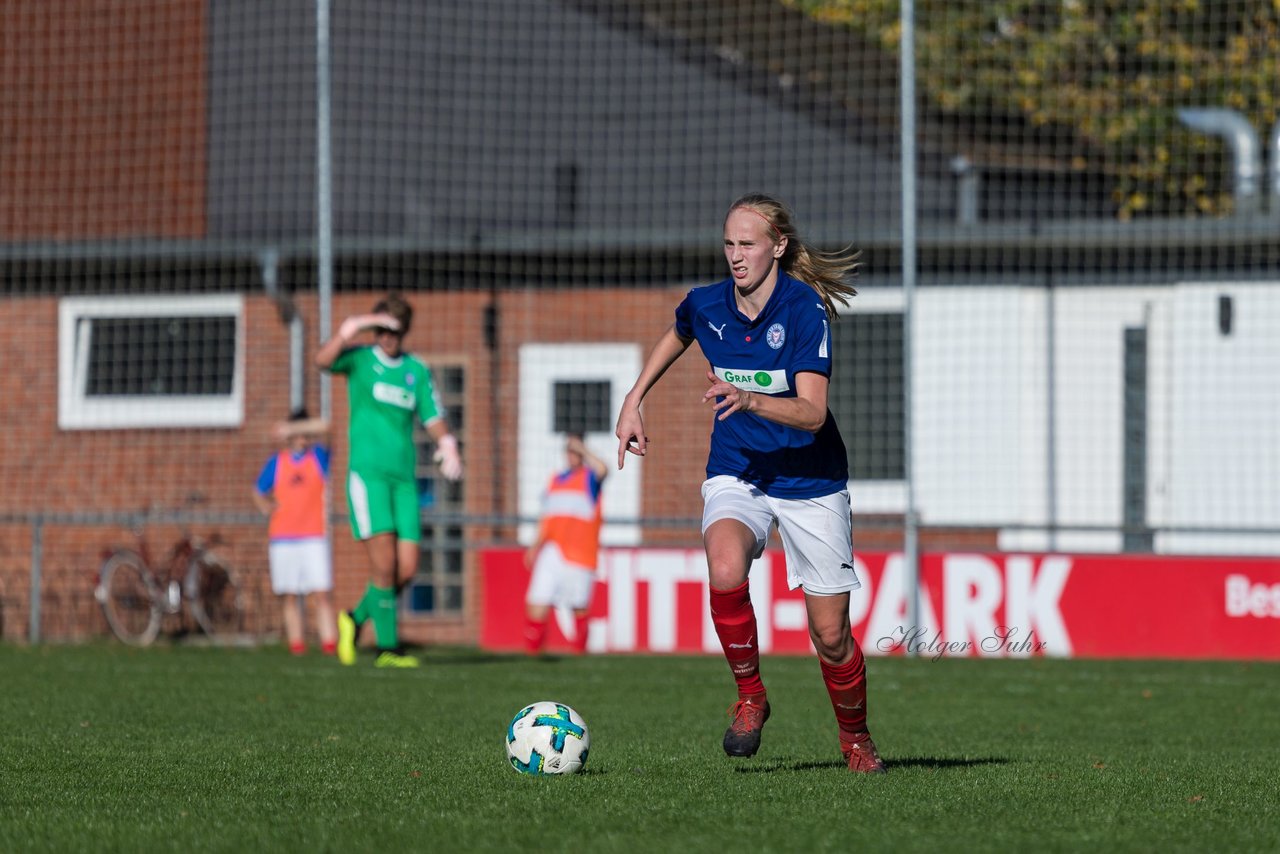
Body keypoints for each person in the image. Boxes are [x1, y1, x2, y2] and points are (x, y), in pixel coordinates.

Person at [614, 192, 885, 773]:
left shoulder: (803, 310)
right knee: (724, 566)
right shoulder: (707, 304)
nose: (736, 256)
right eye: (729, 244)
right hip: (740, 471)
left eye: (748, 244)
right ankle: (750, 696)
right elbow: (678, 332)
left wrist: (749, 397)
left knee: (830, 635)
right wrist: (634, 400)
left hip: (812, 480)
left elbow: (812, 414)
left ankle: (856, 741)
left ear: (778, 247)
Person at [315, 292, 463, 669]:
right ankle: (388, 649)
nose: (386, 338)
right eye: (380, 329)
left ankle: (354, 618)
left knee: (407, 569)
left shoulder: (415, 370)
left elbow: (432, 414)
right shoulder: (361, 360)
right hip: (368, 476)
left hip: (403, 481)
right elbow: (323, 361)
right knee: (382, 565)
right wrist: (350, 329)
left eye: (393, 331)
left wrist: (447, 443)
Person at [252, 408, 337, 656]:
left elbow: (328, 427)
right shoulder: (277, 462)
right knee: (289, 595)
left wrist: (295, 427)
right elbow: (257, 490)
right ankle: (297, 644)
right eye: (298, 433)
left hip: (313, 536)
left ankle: (329, 643)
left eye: (305, 433)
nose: (303, 438)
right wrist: (266, 507)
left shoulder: (318, 458)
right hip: (283, 538)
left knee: (320, 593)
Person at [522, 433, 609, 655]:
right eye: (569, 450)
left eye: (576, 451)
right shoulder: (554, 480)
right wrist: (534, 546)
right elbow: (546, 518)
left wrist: (584, 450)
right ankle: (533, 654)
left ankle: (579, 651)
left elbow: (603, 469)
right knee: (537, 600)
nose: (572, 455)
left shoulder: (589, 479)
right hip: (552, 550)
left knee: (578, 606)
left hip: (579, 555)